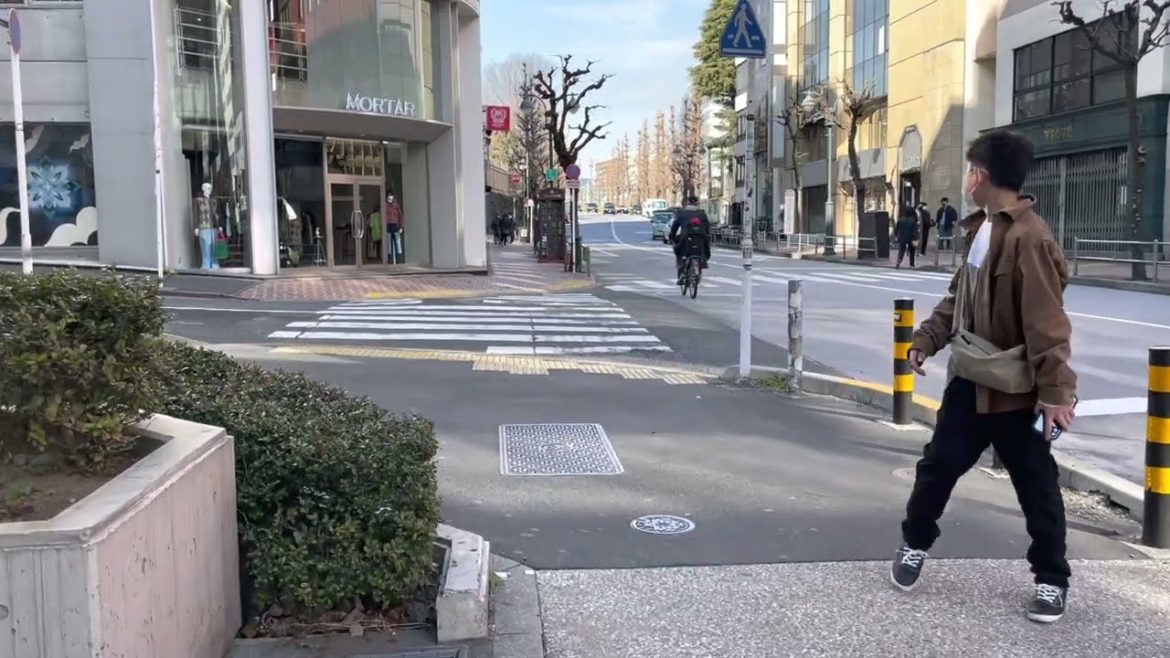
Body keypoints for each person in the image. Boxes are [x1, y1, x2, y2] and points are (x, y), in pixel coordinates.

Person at [890, 130, 1077, 624]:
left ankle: (1052, 581)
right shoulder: (982, 230)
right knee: (937, 468)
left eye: (969, 170)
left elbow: (1048, 324)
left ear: (981, 176)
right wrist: (927, 338)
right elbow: (959, 300)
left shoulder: (1029, 238)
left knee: (1037, 486)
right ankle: (914, 545)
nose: (965, 179)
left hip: (1019, 393)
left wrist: (1056, 393)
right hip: (970, 383)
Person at [669, 196, 711, 284]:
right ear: (697, 203)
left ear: (687, 203)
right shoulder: (702, 214)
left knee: (679, 252)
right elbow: (707, 227)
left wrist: (672, 237)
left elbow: (675, 226)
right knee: (704, 251)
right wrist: (707, 235)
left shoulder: (682, 213)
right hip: (701, 238)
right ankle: (702, 262)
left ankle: (681, 271)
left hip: (685, 238)